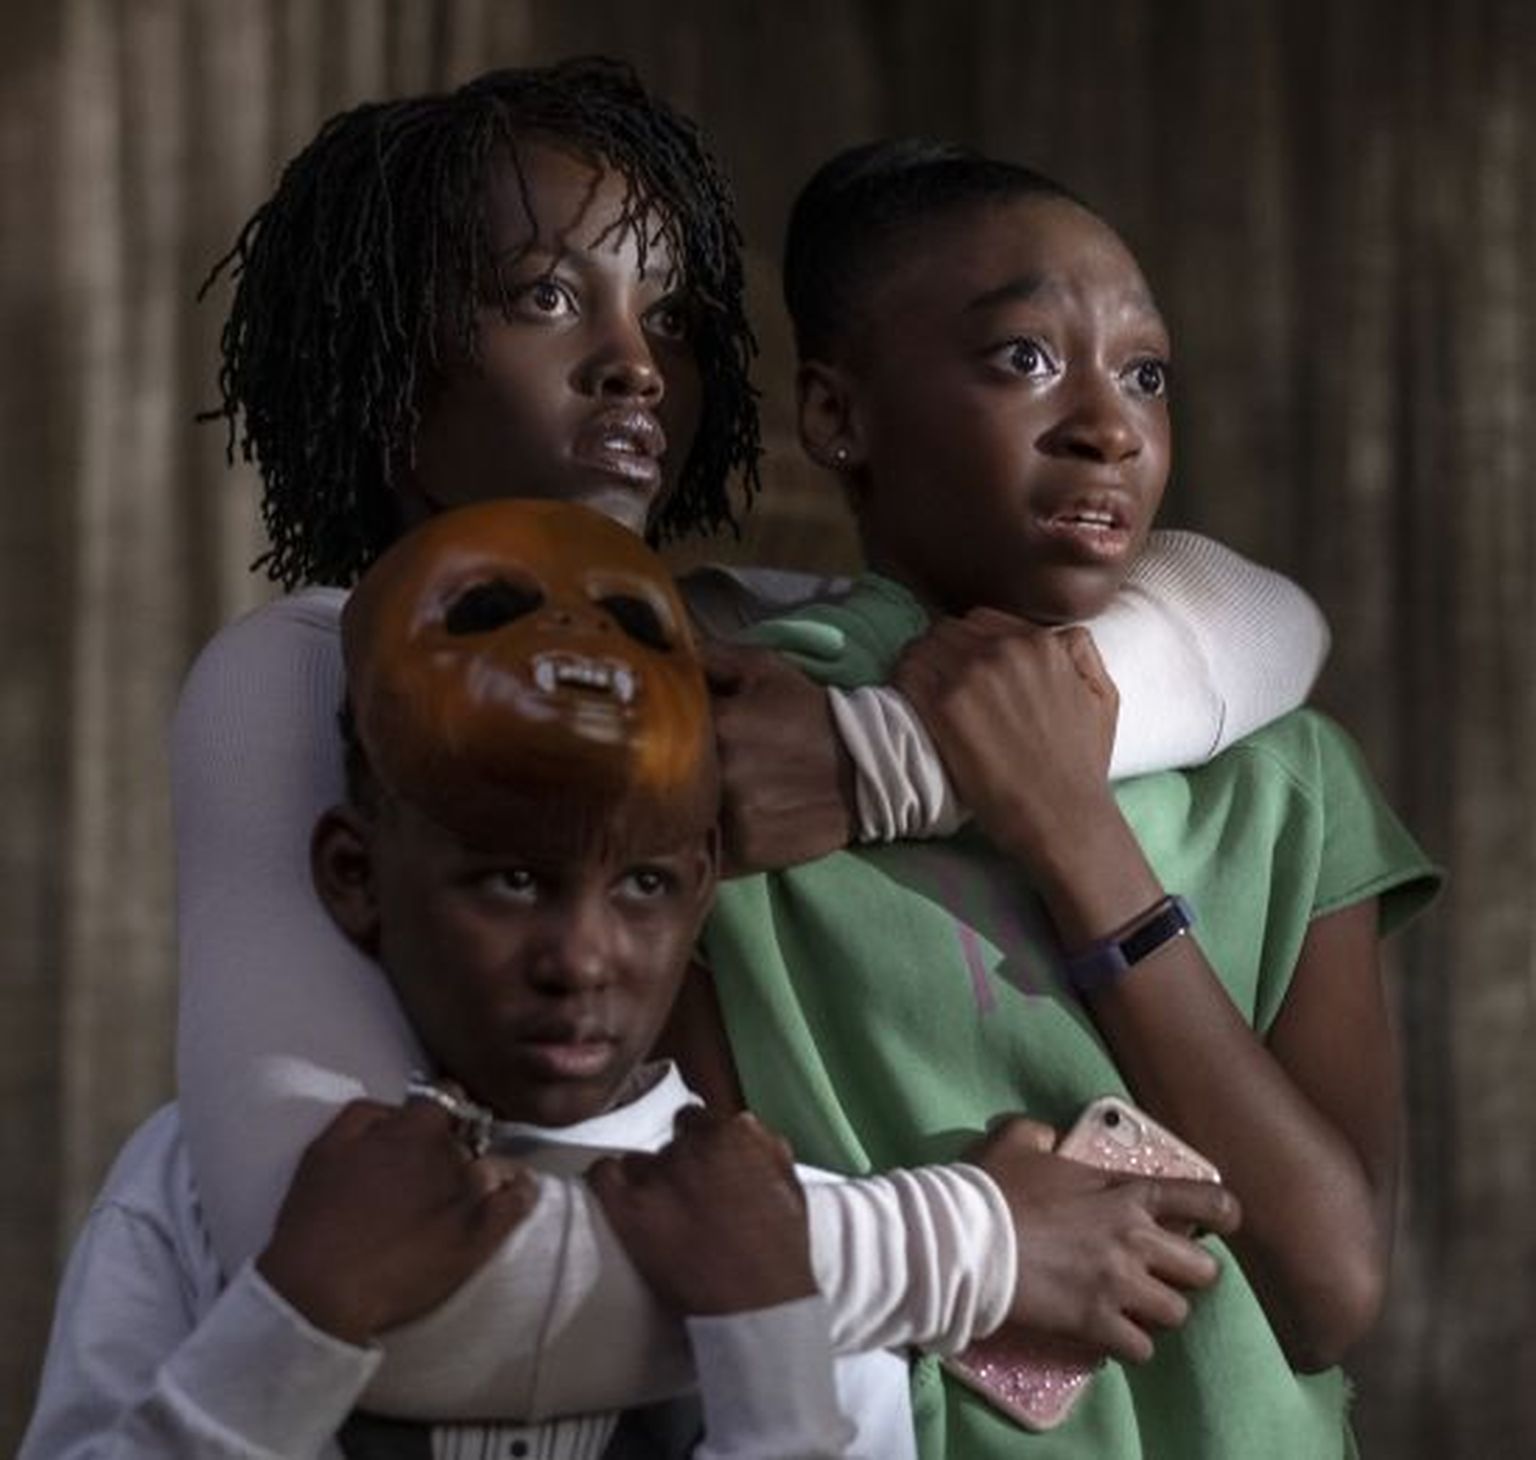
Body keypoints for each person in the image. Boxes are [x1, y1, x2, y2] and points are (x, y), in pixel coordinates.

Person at [173, 59, 1324, 1415]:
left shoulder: (745, 639)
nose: (635, 364)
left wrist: (881, 761)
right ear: (382, 356)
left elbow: (1267, 621)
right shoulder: (298, 669)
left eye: (670, 316)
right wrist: (975, 1242)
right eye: (547, 297)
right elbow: (358, 1294)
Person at [23, 500, 1240, 1457]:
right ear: (355, 875)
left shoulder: (778, 1222)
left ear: (704, 882)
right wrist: (294, 1314)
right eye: (510, 880)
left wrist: (766, 1327)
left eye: (644, 884)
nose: (580, 957)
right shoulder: (201, 1190)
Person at [682, 140, 1444, 1458]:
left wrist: (1076, 833)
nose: (1110, 424)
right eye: (1025, 356)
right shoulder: (741, 746)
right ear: (837, 413)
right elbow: (692, 1240)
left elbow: (1329, 1291)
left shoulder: (1288, 780)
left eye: (1145, 374)